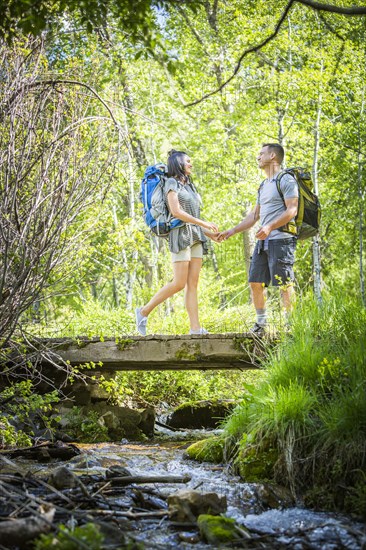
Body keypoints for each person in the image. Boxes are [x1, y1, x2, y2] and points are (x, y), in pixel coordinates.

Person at [136, 150, 219, 336]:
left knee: (192, 285)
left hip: (196, 236)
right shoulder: (171, 183)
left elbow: (193, 217)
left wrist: (209, 233)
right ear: (178, 163)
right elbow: (176, 212)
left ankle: (195, 329)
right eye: (187, 161)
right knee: (179, 283)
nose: (191, 163)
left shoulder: (190, 186)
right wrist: (204, 223)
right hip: (180, 235)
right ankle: (143, 312)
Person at [219, 143, 298, 334]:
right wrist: (232, 231)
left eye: (261, 154)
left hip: (282, 239)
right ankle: (261, 323)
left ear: (272, 156)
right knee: (255, 281)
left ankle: (291, 325)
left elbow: (292, 210)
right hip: (264, 241)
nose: (258, 157)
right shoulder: (263, 185)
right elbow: (254, 217)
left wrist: (270, 226)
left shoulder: (286, 180)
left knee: (284, 282)